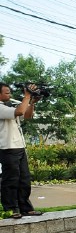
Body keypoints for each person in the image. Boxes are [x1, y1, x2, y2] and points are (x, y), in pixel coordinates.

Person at [0, 82, 40, 218]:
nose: (9, 95)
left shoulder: (8, 107)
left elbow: (26, 115)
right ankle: (11, 209)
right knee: (11, 179)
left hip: (19, 147)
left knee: (24, 179)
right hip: (7, 148)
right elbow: (20, 111)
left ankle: (25, 208)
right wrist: (27, 95)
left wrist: (32, 102)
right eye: (7, 92)